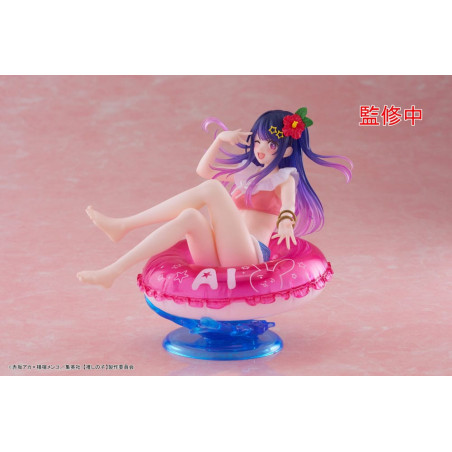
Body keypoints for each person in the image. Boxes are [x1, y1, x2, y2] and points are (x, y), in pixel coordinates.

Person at [77, 108, 352, 288]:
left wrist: (287, 222)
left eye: (271, 144)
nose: (260, 149)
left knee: (212, 189)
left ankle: (125, 224)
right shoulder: (246, 173)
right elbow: (204, 170)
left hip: (251, 253)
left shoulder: (285, 178)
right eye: (257, 141)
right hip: (221, 254)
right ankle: (112, 271)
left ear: (286, 150)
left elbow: (288, 205)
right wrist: (219, 140)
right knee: (190, 216)